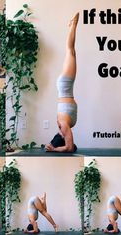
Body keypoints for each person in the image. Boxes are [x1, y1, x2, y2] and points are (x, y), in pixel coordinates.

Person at [45, 13, 79, 153]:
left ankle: (72, 26)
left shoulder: (65, 126)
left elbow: (69, 145)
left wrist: (53, 147)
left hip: (65, 88)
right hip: (65, 86)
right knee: (70, 51)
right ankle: (73, 24)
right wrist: (54, 149)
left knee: (71, 52)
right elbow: (70, 148)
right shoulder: (63, 126)